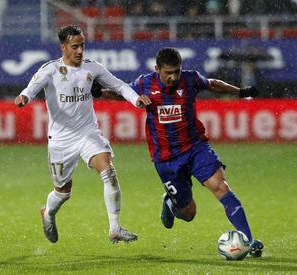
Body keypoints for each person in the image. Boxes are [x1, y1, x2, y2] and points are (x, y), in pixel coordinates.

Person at [97, 47, 264, 257]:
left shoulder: (190, 79)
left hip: (195, 148)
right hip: (166, 158)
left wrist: (241, 92)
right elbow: (121, 93)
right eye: (168, 72)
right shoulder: (145, 83)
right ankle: (169, 202)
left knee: (220, 186)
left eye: (177, 71)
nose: (173, 77)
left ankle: (248, 240)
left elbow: (212, 84)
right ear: (157, 69)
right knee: (188, 213)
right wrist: (98, 92)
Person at [14, 25, 151, 244]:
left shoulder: (92, 68)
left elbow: (119, 85)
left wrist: (136, 99)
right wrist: (24, 97)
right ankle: (47, 213)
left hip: (88, 132)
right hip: (61, 140)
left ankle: (115, 229)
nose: (79, 51)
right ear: (63, 47)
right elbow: (32, 87)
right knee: (63, 192)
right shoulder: (50, 69)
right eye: (74, 47)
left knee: (109, 172)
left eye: (82, 46)